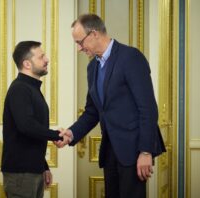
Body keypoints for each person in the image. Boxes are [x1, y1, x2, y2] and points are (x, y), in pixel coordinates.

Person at [55, 14, 166, 198]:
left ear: (94, 34)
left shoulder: (130, 57)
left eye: (80, 42)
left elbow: (147, 108)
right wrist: (71, 133)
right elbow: (93, 112)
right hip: (110, 152)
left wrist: (145, 151)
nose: (79, 49)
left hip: (134, 151)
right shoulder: (92, 68)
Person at [1, 41, 67, 198]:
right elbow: (26, 126)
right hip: (21, 174)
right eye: (41, 56)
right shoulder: (20, 89)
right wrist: (57, 135)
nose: (47, 59)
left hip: (32, 171)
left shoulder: (31, 88)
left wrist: (43, 166)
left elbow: (31, 133)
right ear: (27, 64)